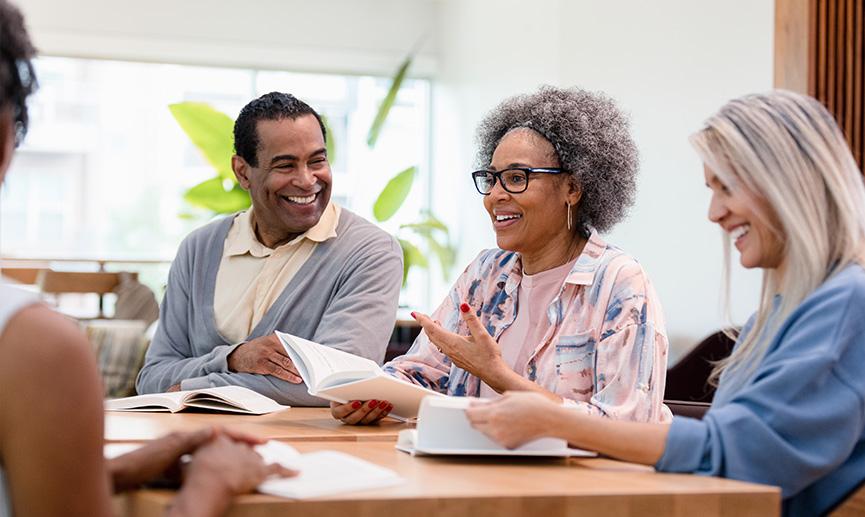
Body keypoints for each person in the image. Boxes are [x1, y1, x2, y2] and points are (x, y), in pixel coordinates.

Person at [465, 91, 865, 517]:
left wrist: (553, 419)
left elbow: (732, 454)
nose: (714, 213)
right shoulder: (771, 320)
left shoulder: (846, 304)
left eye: (727, 187)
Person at [0, 2, 293, 515]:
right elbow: (155, 375)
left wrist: (117, 468)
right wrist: (214, 484)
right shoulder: (31, 347)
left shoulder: (367, 250)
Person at [332, 86, 671, 425]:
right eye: (492, 179)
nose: (494, 196)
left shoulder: (618, 283)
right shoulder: (486, 273)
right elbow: (422, 374)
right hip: (471, 470)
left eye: (515, 178)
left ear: (573, 188)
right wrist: (366, 393)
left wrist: (498, 376)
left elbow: (629, 426)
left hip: (571, 478)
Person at [137, 92, 404, 405]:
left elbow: (338, 382)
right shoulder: (199, 249)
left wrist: (192, 387)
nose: (307, 181)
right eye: (285, 165)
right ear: (242, 172)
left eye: (317, 160)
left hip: (303, 450)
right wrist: (234, 357)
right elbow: (152, 377)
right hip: (198, 446)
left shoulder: (369, 252)